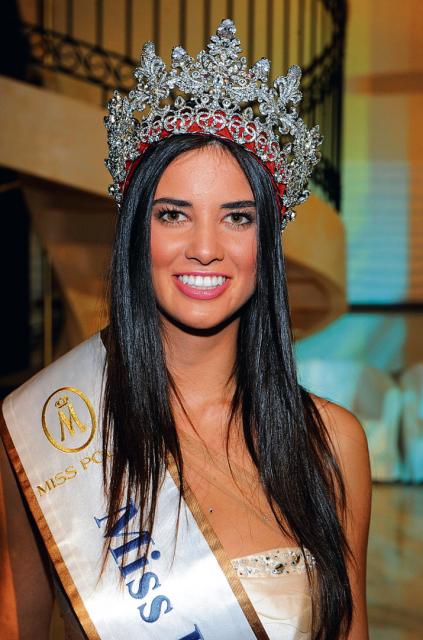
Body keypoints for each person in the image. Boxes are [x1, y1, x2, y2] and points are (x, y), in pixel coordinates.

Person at [0, 19, 371, 640]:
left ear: (266, 243)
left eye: (237, 218)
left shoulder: (331, 443)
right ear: (136, 234)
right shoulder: (46, 438)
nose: (205, 247)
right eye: (174, 214)